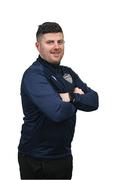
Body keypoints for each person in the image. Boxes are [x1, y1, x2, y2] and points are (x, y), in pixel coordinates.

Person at [18, 22, 99, 179]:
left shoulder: (68, 73)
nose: (56, 46)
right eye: (50, 42)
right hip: (36, 159)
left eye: (60, 41)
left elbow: (94, 101)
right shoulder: (34, 75)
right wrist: (77, 99)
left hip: (63, 155)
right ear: (38, 46)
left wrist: (70, 97)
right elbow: (58, 112)